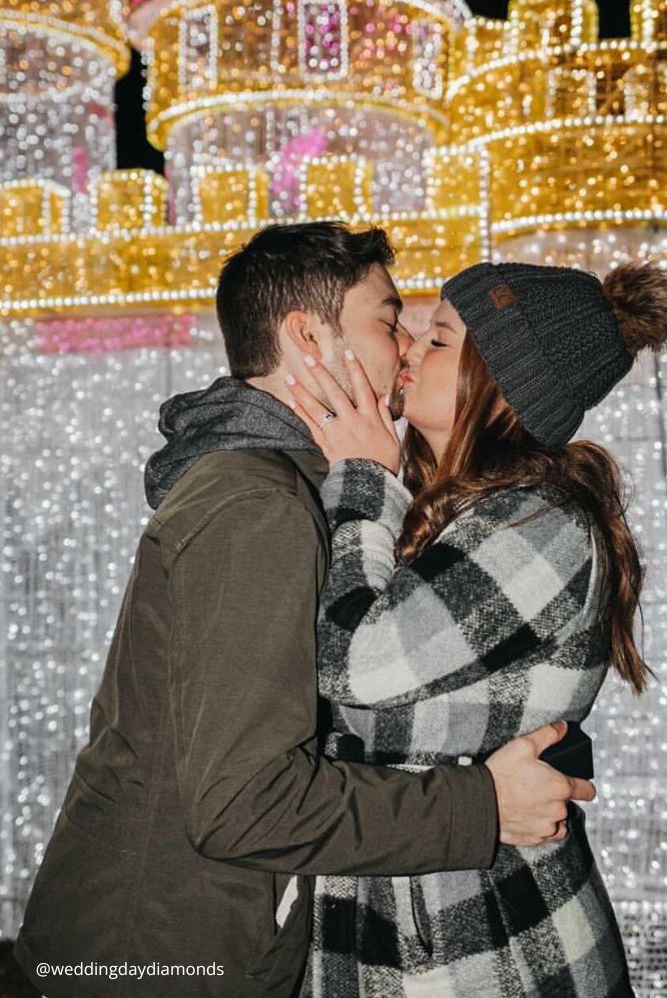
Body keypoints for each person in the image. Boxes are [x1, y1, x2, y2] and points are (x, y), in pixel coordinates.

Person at [15, 225, 594, 998]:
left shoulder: (292, 488)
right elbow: (247, 802)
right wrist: (480, 804)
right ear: (305, 337)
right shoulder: (262, 502)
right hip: (161, 952)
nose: (405, 343)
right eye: (388, 321)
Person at [285, 259, 662, 996]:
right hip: (383, 918)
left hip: (489, 945)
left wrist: (362, 476)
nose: (410, 344)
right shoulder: (431, 507)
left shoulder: (540, 521)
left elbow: (355, 665)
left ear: (499, 383)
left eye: (439, 339)